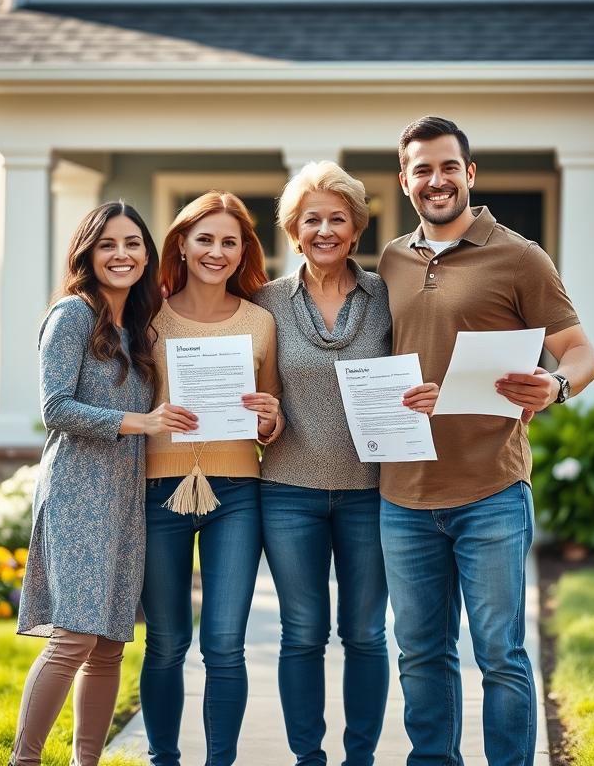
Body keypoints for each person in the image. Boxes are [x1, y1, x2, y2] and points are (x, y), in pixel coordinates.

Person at [377, 116, 594, 766]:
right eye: (423, 169)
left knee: (500, 653)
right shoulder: (390, 260)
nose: (436, 179)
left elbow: (581, 352)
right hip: (403, 496)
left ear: (469, 174)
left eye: (448, 166)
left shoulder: (520, 256)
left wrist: (555, 386)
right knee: (420, 653)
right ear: (406, 180)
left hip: (492, 493)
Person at [253, 161, 437, 766]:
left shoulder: (388, 295)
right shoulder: (266, 304)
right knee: (302, 634)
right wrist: (263, 416)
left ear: (356, 229)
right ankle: (309, 758)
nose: (325, 230)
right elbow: (260, 391)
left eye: (338, 219)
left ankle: (360, 758)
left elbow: (425, 356)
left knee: (363, 634)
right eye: (313, 220)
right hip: (287, 491)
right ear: (293, 230)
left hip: (370, 491)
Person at [11, 202, 195, 766]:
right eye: (108, 244)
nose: (122, 255)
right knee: (74, 638)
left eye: (133, 244)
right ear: (88, 253)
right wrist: (138, 422)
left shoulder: (138, 328)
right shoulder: (72, 315)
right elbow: (54, 408)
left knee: (110, 645)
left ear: (147, 254)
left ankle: (85, 762)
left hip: (127, 499)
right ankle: (25, 760)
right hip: (77, 493)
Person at [139, 191, 283, 766]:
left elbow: (271, 416)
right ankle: (163, 759)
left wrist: (270, 421)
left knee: (225, 645)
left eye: (230, 241)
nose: (216, 252)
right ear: (181, 242)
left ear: (244, 248)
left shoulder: (260, 322)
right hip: (159, 490)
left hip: (237, 493)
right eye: (205, 238)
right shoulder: (147, 317)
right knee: (167, 643)